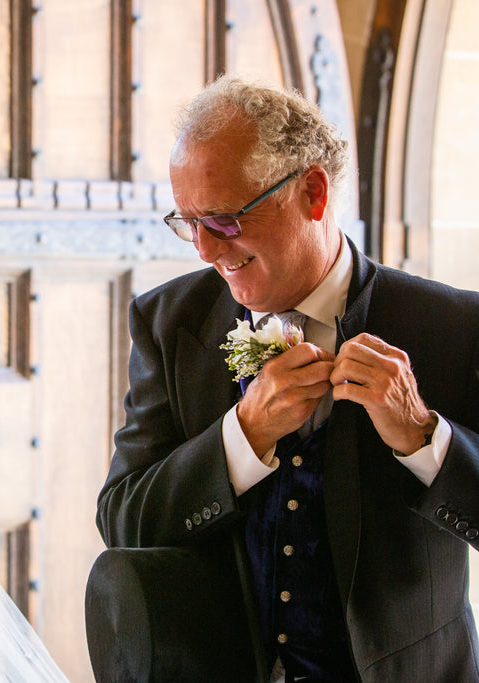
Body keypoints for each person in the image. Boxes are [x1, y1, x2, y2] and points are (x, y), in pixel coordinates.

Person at [90, 76, 479, 682]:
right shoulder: (170, 323)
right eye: (187, 222)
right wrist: (241, 436)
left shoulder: (449, 324)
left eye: (222, 220)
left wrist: (425, 438)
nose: (203, 250)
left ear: (313, 193)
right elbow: (124, 520)